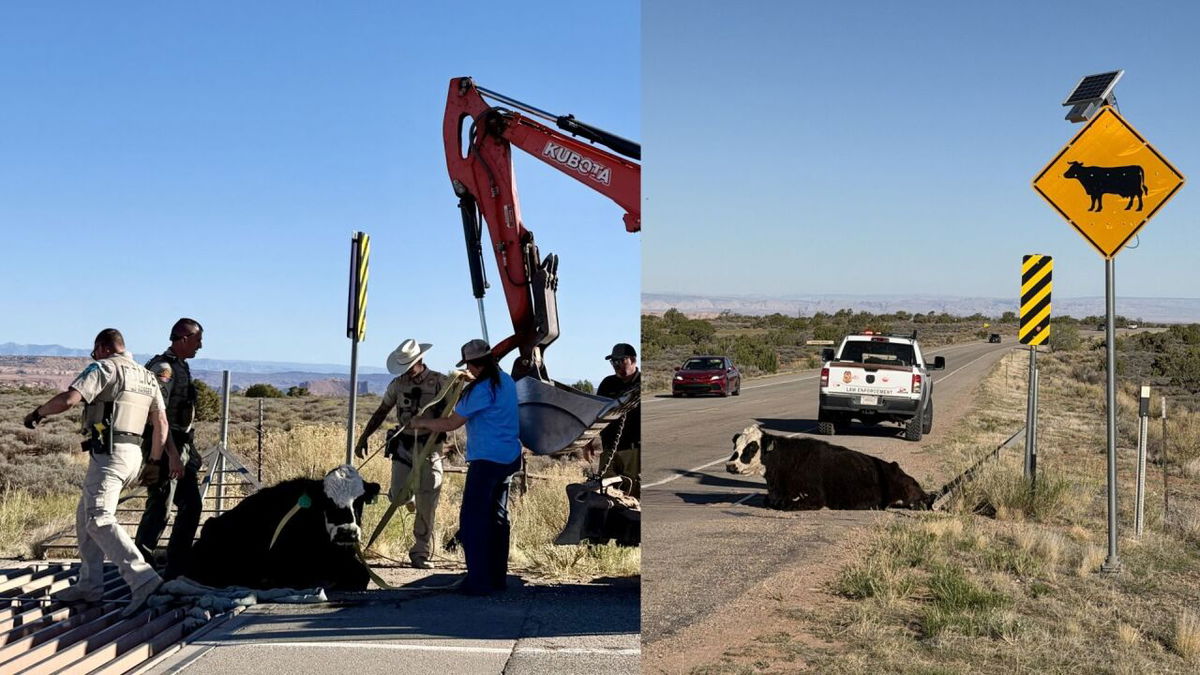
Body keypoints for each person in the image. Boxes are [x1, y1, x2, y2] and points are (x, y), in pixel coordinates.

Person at [23, 328, 168, 616]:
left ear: (102, 348)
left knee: (98, 518)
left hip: (110, 454)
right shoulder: (146, 375)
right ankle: (89, 586)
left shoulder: (103, 367)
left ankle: (143, 579)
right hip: (134, 454)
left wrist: (38, 413)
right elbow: (160, 422)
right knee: (84, 517)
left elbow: (69, 399)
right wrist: (153, 461)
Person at [410, 339, 521, 595]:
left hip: (486, 462)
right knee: (498, 518)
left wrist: (421, 423)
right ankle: (496, 578)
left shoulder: (480, 390)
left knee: (473, 521)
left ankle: (478, 581)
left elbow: (451, 424)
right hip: (508, 458)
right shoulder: (505, 382)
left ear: (473, 364)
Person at [354, 338, 448, 569]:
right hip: (403, 445)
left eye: (410, 366)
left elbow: (457, 410)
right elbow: (382, 410)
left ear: (420, 360)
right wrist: (364, 436)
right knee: (397, 495)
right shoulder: (397, 384)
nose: (408, 372)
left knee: (427, 502)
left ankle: (420, 553)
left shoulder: (441, 382)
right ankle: (409, 498)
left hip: (429, 447)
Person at [134, 318, 203, 580]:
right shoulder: (164, 369)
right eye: (197, 340)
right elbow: (157, 417)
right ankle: (141, 567)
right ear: (184, 338)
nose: (200, 346)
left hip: (181, 446)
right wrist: (171, 454)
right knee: (160, 506)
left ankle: (177, 566)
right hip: (164, 445)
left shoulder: (179, 367)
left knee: (191, 505)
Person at [597, 342, 641, 498]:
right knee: (605, 490)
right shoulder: (607, 384)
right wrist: (588, 441)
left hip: (633, 450)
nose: (617, 365)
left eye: (622, 361)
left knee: (632, 491)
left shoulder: (640, 383)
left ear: (633, 361)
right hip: (609, 449)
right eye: (614, 361)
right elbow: (596, 412)